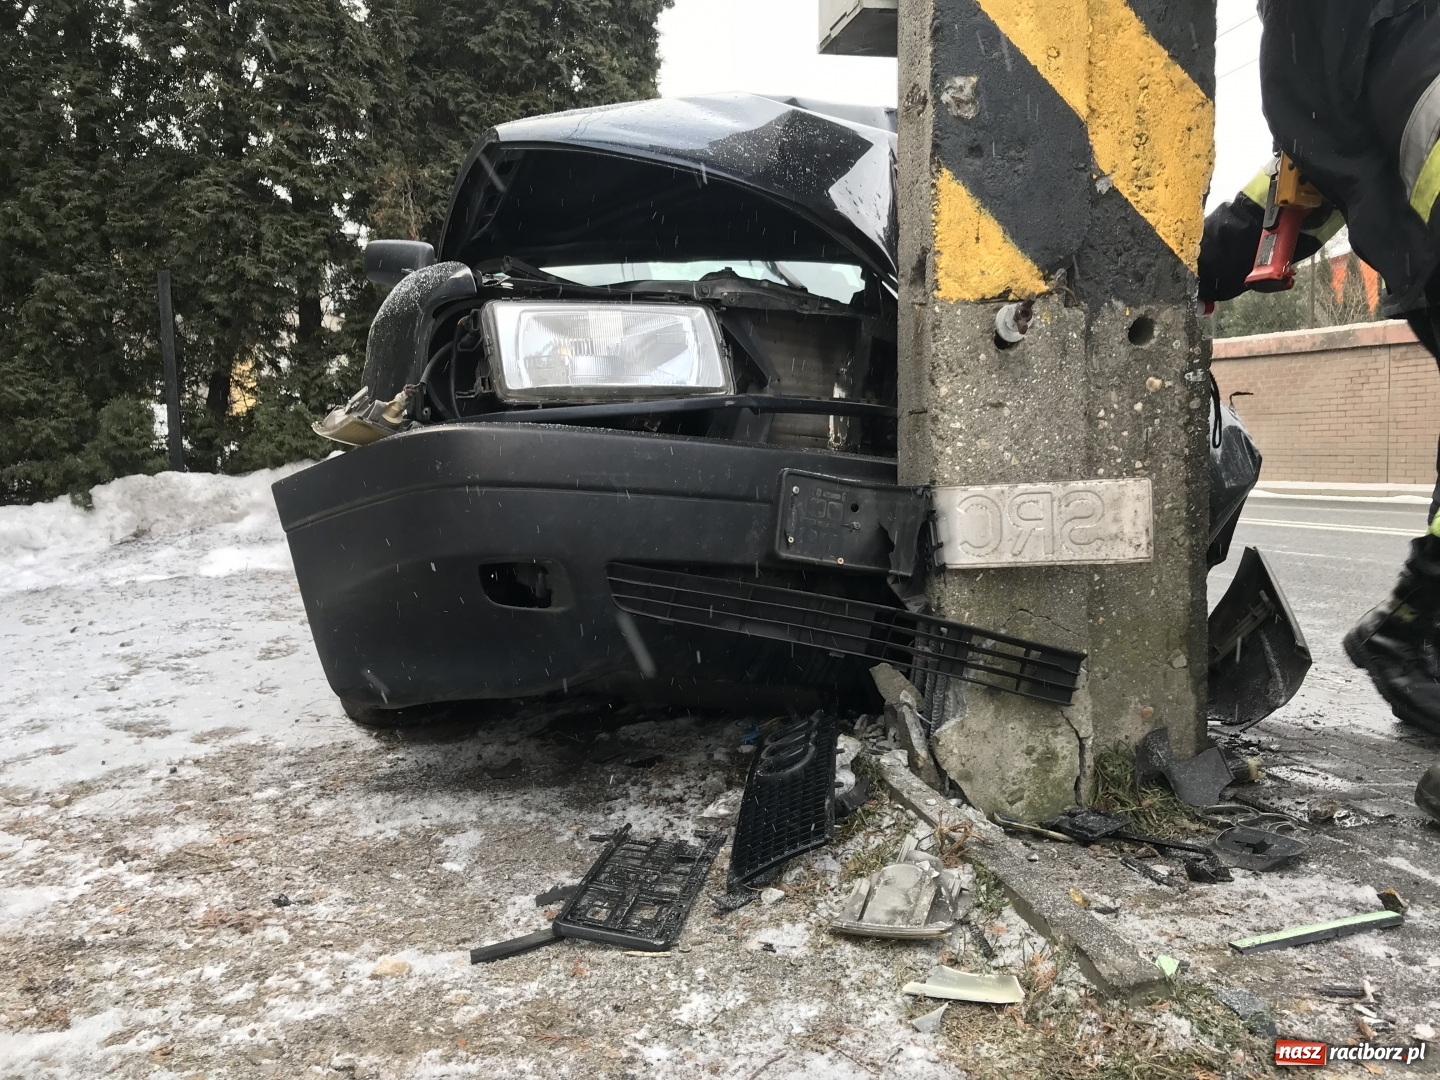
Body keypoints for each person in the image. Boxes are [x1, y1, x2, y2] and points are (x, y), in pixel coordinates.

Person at [1198, 0, 1440, 822]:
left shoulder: (1337, 41)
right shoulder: (1370, 37)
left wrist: (1199, 265)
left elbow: (1308, 172)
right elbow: (1302, 182)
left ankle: (1408, 631)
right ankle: (1408, 633)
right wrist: (1200, 264)